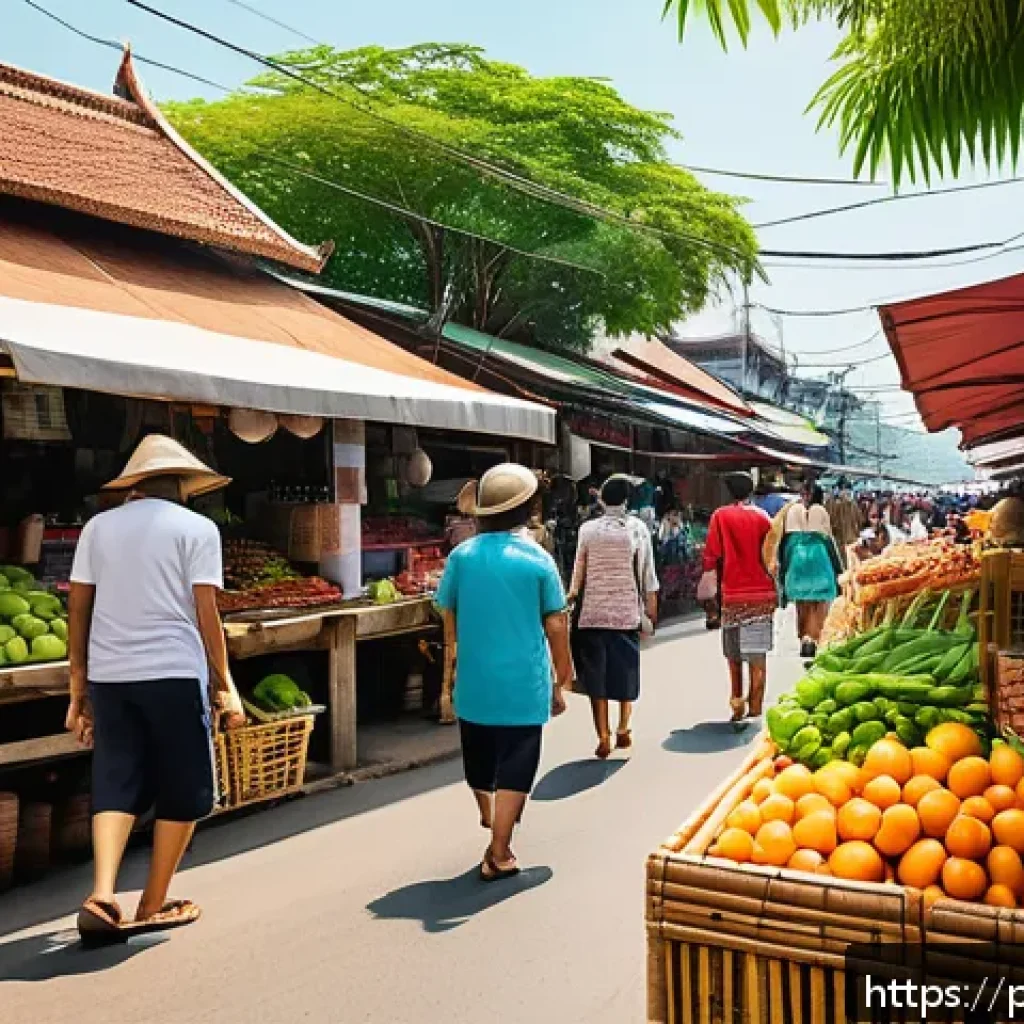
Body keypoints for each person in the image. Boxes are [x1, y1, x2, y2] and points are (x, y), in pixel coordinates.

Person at [66, 434, 245, 945]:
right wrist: (224, 683)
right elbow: (206, 612)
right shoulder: (198, 529)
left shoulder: (98, 528)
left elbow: (77, 607)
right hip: (173, 670)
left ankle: (102, 893)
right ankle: (151, 902)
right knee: (185, 786)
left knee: (117, 777)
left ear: (136, 486)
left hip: (110, 673)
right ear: (184, 486)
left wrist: (77, 685)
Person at [436, 464, 573, 882]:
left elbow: (447, 611)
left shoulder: (461, 556)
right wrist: (563, 675)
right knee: (518, 761)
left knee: (478, 756)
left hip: (474, 679)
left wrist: (451, 664)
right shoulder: (537, 559)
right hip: (523, 683)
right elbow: (556, 623)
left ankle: (489, 815)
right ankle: (499, 849)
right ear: (528, 508)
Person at [568, 475, 659, 759]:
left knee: (597, 680)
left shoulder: (587, 530)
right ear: (627, 501)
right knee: (625, 673)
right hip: (625, 615)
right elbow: (647, 573)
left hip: (591, 615)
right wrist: (651, 608)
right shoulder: (636, 529)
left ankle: (603, 735)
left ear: (601, 499)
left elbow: (577, 573)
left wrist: (570, 599)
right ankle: (623, 727)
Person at [703, 472, 776, 725]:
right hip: (762, 593)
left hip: (732, 593)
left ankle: (737, 703)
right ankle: (755, 707)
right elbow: (772, 556)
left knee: (734, 655)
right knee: (757, 653)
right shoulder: (763, 517)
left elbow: (711, 555)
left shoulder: (720, 516)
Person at [776, 483, 842, 659]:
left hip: (797, 562)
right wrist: (839, 573)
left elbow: (784, 551)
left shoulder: (791, 513)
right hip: (821, 562)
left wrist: (782, 578)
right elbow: (831, 546)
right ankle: (814, 638)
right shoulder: (821, 513)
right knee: (819, 604)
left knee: (802, 604)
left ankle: (805, 638)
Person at [825, 477, 863, 568]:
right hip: (848, 542)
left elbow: (829, 522)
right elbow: (860, 520)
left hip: (842, 543)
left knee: (845, 568)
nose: (847, 492)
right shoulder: (852, 503)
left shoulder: (832, 502)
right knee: (851, 567)